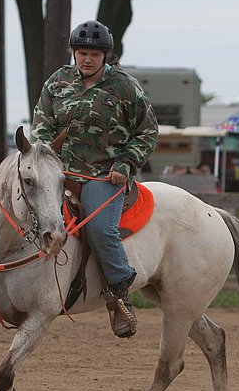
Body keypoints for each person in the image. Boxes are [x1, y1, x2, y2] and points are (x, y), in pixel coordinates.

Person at [31, 20, 158, 338]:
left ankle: (118, 295)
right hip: (59, 173)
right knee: (19, 207)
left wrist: (126, 163)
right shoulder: (58, 82)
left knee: (100, 229)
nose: (87, 59)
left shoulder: (124, 86)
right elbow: (42, 121)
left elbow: (147, 130)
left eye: (94, 54)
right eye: (81, 53)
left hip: (104, 176)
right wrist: (46, 156)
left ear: (106, 56)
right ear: (74, 53)